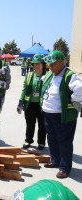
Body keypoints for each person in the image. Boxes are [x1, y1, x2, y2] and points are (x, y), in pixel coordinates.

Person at [41, 50, 82, 179]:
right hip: (48, 113)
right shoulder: (50, 74)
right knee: (52, 139)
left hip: (62, 116)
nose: (50, 67)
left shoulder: (70, 75)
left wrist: (74, 100)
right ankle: (55, 161)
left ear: (61, 62)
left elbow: (80, 89)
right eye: (49, 65)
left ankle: (64, 168)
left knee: (64, 142)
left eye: (53, 64)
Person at [17, 53, 47, 150]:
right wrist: (20, 101)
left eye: (38, 63)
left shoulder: (47, 76)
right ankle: (28, 140)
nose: (35, 65)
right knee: (30, 123)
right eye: (34, 63)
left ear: (43, 64)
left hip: (42, 105)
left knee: (42, 125)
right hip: (30, 104)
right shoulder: (29, 75)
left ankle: (41, 142)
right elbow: (24, 89)